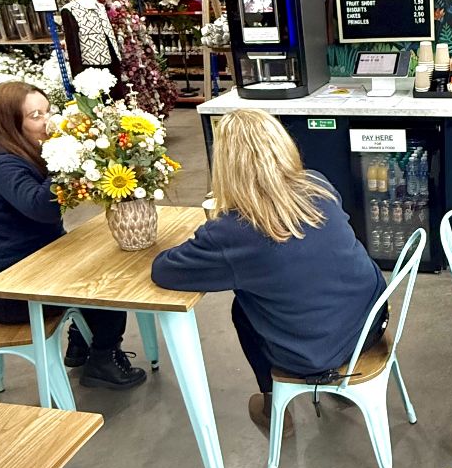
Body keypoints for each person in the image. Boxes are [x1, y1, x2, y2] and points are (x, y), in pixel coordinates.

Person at [151, 108, 387, 435]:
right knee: (288, 282)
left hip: (318, 355)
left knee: (245, 308)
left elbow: (164, 270)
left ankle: (273, 405)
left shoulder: (232, 232)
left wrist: (211, 230)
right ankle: (336, 388)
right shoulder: (317, 184)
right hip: (373, 320)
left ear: (226, 166)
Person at [0, 81, 146, 390]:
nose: (47, 121)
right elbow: (41, 208)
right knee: (108, 279)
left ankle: (81, 343)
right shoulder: (0, 162)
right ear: (10, 122)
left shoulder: (23, 148)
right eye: (35, 115)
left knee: (97, 257)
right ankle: (103, 359)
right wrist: (66, 159)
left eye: (47, 111)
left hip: (29, 266)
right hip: (3, 289)